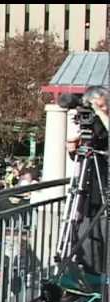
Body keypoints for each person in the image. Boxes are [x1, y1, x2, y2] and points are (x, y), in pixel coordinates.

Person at [66, 86, 109, 275]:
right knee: (87, 238)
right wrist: (72, 148)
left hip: (105, 192)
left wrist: (101, 113)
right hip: (89, 197)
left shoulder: (104, 122)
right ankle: (89, 278)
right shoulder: (93, 125)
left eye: (103, 105)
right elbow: (81, 156)